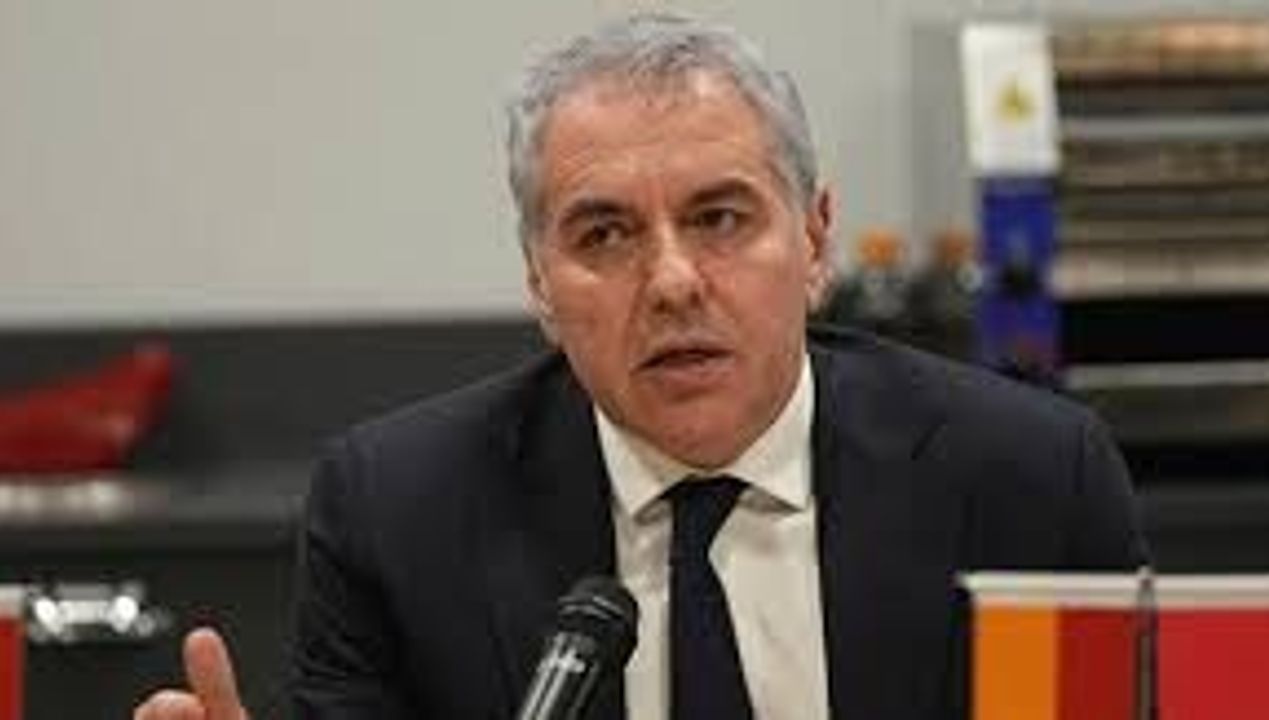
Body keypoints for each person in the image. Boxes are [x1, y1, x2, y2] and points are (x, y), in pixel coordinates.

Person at [135, 13, 1145, 720]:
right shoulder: (397, 513)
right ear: (538, 282)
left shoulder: (1030, 480)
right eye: (604, 235)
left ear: (814, 241)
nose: (670, 282)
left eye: (720, 218)